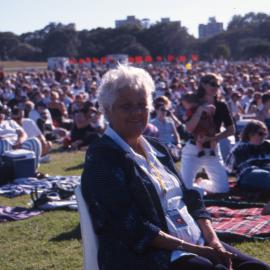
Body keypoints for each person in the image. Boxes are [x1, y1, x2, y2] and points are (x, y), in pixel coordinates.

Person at [81, 65, 270, 270]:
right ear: (107, 110)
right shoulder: (102, 157)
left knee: (257, 268)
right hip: (145, 254)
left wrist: (212, 240)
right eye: (126, 106)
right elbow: (133, 227)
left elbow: (190, 197)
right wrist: (197, 250)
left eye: (142, 105)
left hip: (194, 241)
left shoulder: (157, 148)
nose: (136, 112)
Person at [180, 73, 235, 194]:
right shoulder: (194, 103)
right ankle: (197, 188)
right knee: (185, 190)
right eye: (213, 84)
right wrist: (200, 110)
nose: (216, 87)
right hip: (193, 150)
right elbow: (189, 128)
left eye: (218, 85)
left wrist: (213, 138)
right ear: (203, 85)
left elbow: (231, 130)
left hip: (213, 149)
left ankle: (202, 183)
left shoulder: (221, 105)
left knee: (222, 189)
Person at [226, 120, 270, 191]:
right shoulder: (239, 148)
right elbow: (228, 169)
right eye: (261, 133)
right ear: (251, 133)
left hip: (267, 171)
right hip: (249, 173)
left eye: (265, 134)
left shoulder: (267, 145)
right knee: (266, 176)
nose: (264, 136)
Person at [181, 92, 216, 157]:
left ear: (190, 102)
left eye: (185, 104)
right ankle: (209, 151)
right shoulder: (202, 106)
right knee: (209, 139)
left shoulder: (192, 110)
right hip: (207, 127)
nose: (184, 106)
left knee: (200, 140)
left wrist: (185, 118)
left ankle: (204, 151)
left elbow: (186, 117)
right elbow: (212, 107)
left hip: (203, 128)